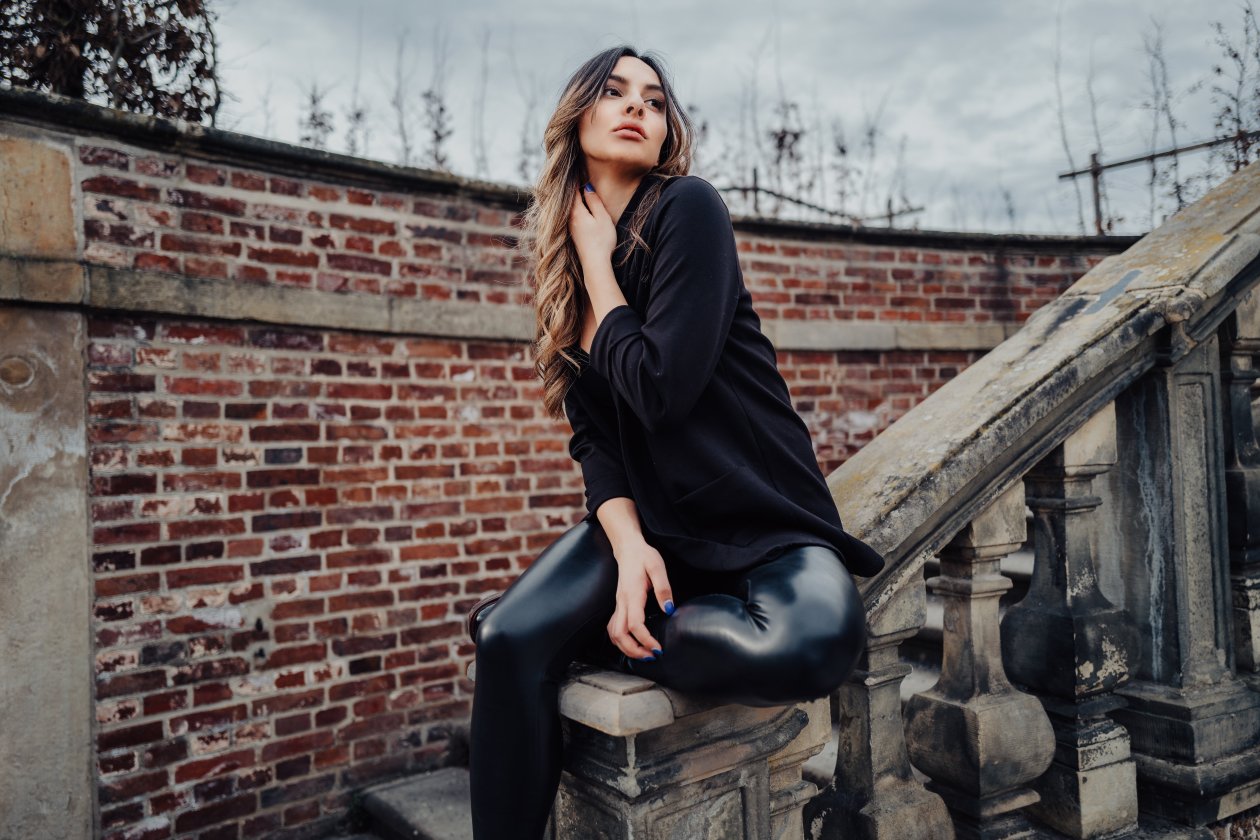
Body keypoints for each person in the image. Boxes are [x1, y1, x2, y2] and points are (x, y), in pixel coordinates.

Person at [465, 45, 886, 840]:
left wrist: (599, 269)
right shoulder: (565, 270)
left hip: (763, 526)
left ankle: (623, 630)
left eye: (654, 101)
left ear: (667, 130)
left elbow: (661, 388)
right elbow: (598, 441)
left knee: (810, 646)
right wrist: (626, 548)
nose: (637, 108)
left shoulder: (689, 209)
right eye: (615, 92)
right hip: (652, 525)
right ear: (577, 116)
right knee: (508, 637)